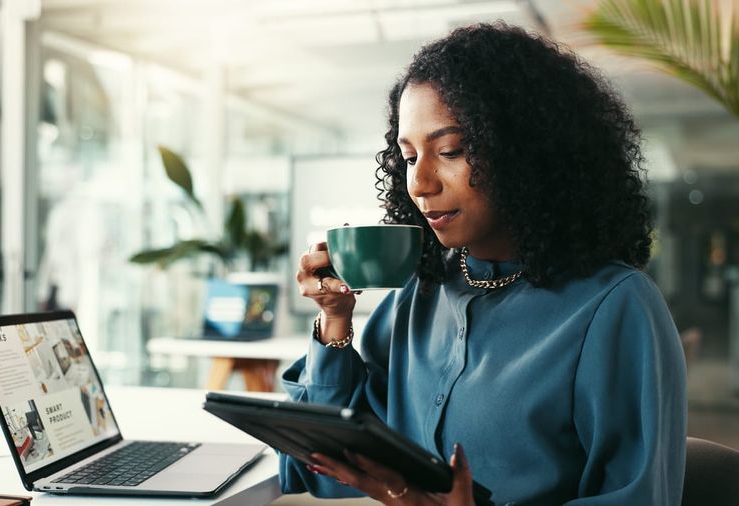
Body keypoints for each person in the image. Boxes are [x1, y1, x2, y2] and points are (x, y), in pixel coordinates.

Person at [283, 22, 686, 505]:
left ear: (525, 152)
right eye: (409, 157)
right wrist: (334, 320)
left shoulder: (614, 307)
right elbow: (323, 472)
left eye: (450, 150)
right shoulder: (423, 292)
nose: (420, 182)